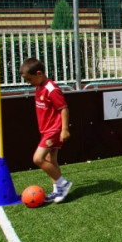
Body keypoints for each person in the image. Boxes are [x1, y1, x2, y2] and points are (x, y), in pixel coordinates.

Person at [19, 58, 72, 203]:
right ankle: (58, 190)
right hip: (46, 130)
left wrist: (65, 129)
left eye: (29, 79)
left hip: (54, 130)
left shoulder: (51, 89)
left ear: (39, 73)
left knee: (38, 159)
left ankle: (63, 183)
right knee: (50, 159)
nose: (28, 83)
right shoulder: (39, 87)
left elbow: (63, 108)